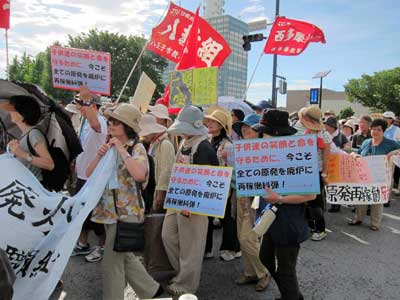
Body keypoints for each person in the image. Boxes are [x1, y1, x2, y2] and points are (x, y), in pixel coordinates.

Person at [87, 103, 162, 300]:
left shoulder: (136, 148)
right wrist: (99, 155)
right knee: (125, 255)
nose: (110, 125)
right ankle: (151, 290)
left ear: (127, 126)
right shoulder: (110, 145)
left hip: (127, 213)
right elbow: (89, 174)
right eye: (110, 121)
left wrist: (121, 149)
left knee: (111, 264)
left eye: (116, 122)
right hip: (109, 212)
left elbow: (139, 175)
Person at [257, 109, 316, 300]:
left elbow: (310, 195)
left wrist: (280, 198)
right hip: (270, 219)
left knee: (286, 271)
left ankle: (290, 296)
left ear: (274, 134)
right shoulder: (265, 154)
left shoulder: (300, 154)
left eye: (263, 132)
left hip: (289, 221)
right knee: (264, 257)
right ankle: (292, 296)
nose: (260, 135)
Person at [162, 105, 219, 296]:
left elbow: (206, 180)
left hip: (194, 205)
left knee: (191, 246)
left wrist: (191, 203)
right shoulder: (186, 142)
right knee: (168, 236)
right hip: (179, 198)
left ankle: (187, 284)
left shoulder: (203, 147)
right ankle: (182, 274)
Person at [231, 112, 271, 292]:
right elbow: (234, 175)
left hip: (256, 199)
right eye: (243, 127)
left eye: (250, 127)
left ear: (260, 131)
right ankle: (250, 272)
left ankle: (264, 272)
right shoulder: (240, 148)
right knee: (243, 237)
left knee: (247, 238)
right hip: (240, 196)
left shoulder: (267, 150)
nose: (245, 129)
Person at [72, 87, 108, 262]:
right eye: (79, 102)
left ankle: (103, 246)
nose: (79, 106)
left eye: (81, 103)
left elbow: (96, 126)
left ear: (92, 105)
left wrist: (86, 99)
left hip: (94, 176)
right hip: (82, 174)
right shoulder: (84, 121)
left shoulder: (100, 120)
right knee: (81, 212)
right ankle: (82, 243)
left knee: (97, 216)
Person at [348, 119, 400, 230]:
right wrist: (355, 155)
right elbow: (358, 153)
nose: (375, 132)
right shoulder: (367, 142)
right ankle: (358, 218)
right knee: (362, 197)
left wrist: (393, 152)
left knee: (377, 200)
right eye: (373, 129)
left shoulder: (390, 143)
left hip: (380, 177)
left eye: (378, 130)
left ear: (383, 131)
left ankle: (375, 224)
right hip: (364, 175)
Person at [204, 107, 240, 261]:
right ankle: (207, 249)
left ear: (221, 126)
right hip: (210, 185)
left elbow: (234, 170)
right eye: (209, 121)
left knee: (227, 218)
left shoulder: (228, 144)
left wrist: (229, 157)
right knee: (208, 218)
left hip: (225, 188)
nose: (210, 123)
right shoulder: (208, 140)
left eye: (214, 121)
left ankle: (231, 248)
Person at [295, 106, 330, 241]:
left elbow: (326, 156)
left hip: (315, 171)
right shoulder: (295, 129)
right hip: (298, 170)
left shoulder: (323, 134)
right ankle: (308, 225)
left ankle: (320, 228)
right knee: (301, 200)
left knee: (315, 201)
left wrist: (324, 174)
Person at [6, 95, 55, 181]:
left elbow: (49, 164)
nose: (10, 112)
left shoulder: (34, 134)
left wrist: (21, 153)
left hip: (34, 189)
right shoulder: (24, 134)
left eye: (13, 110)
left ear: (22, 113)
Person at [139, 114, 175, 211]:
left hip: (158, 191)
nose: (144, 135)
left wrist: (161, 193)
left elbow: (166, 170)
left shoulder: (165, 144)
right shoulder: (154, 143)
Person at [324, 116, 348, 213]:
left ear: (333, 127)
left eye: (328, 125)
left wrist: (344, 151)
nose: (326, 127)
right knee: (326, 184)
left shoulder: (341, 136)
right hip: (326, 163)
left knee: (336, 184)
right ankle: (327, 201)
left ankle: (336, 205)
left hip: (337, 164)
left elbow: (347, 145)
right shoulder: (323, 134)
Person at [382, 111, 400, 198]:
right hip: (381, 155)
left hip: (393, 156)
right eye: (384, 118)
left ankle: (387, 196)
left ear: (391, 120)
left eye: (387, 118)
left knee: (389, 176)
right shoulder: (381, 128)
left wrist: (393, 152)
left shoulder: (397, 130)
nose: (385, 119)